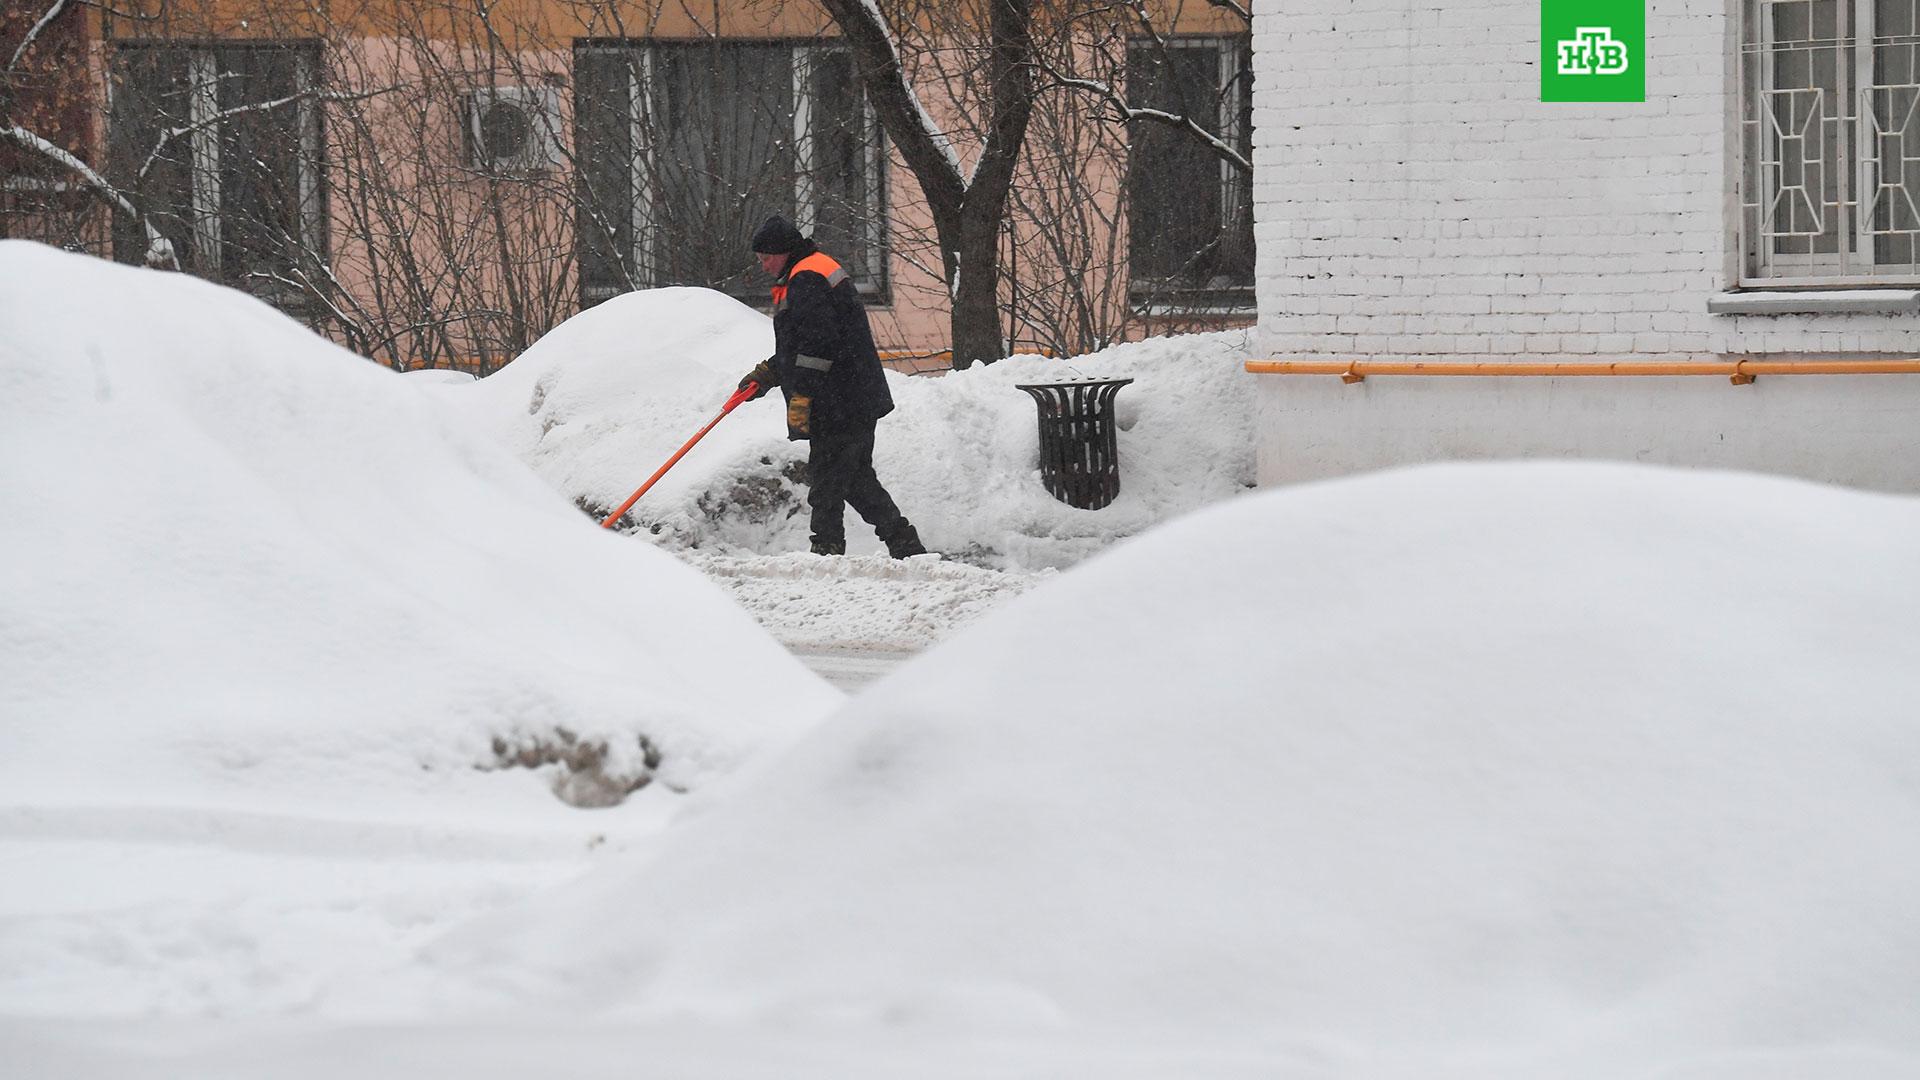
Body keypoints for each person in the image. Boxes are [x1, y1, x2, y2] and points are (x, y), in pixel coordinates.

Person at [737, 214, 928, 558]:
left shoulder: (806, 277)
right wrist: (768, 373)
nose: (763, 265)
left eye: (766, 257)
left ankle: (826, 551)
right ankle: (905, 546)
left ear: (782, 251)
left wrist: (803, 396)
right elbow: (801, 344)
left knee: (826, 478)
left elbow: (817, 347)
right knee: (854, 478)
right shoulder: (807, 270)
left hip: (839, 400)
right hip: (851, 395)